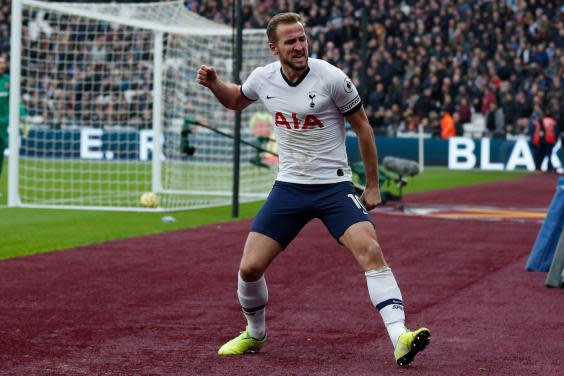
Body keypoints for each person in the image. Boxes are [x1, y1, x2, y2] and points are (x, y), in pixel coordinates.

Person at [196, 12, 430, 366]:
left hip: (334, 186)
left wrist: (372, 185)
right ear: (274, 48)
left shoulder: (332, 78)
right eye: (290, 41)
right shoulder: (263, 78)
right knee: (249, 269)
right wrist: (214, 83)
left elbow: (363, 129)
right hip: (289, 187)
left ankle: (400, 337)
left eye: (302, 38)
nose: (299, 46)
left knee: (370, 250)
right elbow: (236, 100)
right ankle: (255, 334)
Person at [0, 54, 9, 184]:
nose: (2, 65)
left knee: (0, 156)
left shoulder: (8, 81)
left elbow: (15, 102)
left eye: (3, 63)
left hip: (2, 126)